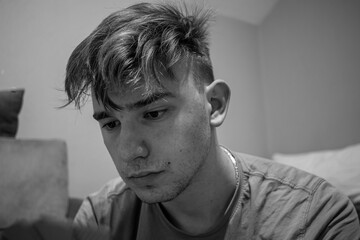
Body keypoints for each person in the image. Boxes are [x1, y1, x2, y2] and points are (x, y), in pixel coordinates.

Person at [63, 2, 360, 239]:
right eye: (111, 123)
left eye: (153, 113)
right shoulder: (100, 218)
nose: (129, 152)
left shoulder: (316, 218)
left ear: (214, 105)